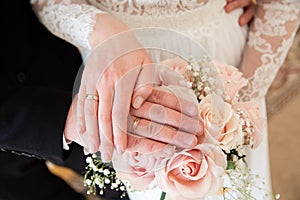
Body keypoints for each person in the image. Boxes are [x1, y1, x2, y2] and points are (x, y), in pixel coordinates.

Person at [31, 0, 300, 199]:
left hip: (224, 56)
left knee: (230, 184)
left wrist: (237, 107)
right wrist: (100, 30)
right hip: (114, 66)